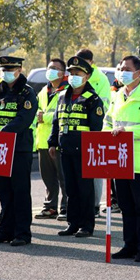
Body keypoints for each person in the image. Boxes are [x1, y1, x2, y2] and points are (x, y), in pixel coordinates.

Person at [103, 55, 140, 262]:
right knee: (126, 207)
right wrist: (106, 134)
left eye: (126, 68)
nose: (121, 71)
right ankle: (129, 245)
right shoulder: (118, 95)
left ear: (139, 73)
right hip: (120, 161)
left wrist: (127, 131)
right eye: (120, 67)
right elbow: (108, 121)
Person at [0, 56, 37, 246]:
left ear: (19, 70)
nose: (6, 72)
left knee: (20, 192)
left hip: (18, 149)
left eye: (10, 69)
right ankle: (5, 231)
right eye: (3, 69)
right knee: (4, 192)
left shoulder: (27, 93)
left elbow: (24, 119)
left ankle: (22, 233)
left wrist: (3, 133)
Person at [48, 56, 104, 239]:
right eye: (71, 73)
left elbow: (96, 127)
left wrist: (92, 149)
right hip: (66, 149)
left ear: (87, 76)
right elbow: (56, 121)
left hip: (84, 151)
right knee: (71, 189)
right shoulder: (63, 96)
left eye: (77, 73)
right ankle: (73, 223)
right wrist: (52, 143)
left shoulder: (93, 99)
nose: (73, 76)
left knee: (84, 189)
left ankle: (87, 225)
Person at [75, 49, 110, 218]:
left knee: (95, 171)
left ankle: (95, 205)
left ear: (91, 62)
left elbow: (103, 105)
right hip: (76, 133)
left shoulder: (100, 79)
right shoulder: (74, 77)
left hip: (95, 128)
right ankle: (79, 208)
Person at [33, 59, 69, 220]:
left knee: (64, 177)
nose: (51, 71)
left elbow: (61, 114)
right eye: (49, 68)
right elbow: (36, 110)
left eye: (55, 68)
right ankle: (50, 206)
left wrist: (44, 117)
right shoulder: (43, 91)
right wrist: (39, 116)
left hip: (59, 141)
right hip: (42, 140)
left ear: (63, 72)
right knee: (48, 178)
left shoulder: (68, 90)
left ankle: (67, 207)